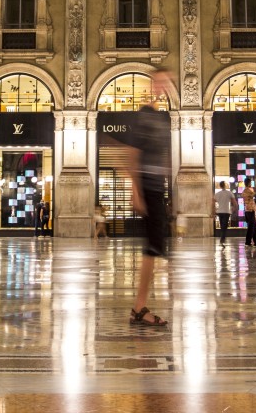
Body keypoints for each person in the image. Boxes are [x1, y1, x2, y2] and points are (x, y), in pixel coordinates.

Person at [109, 68, 173, 326]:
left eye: (167, 82)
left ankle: (140, 306)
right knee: (153, 247)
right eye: (160, 81)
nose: (164, 86)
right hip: (148, 186)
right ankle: (139, 308)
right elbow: (131, 153)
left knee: (156, 247)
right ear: (152, 84)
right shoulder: (145, 115)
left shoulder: (160, 117)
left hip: (157, 186)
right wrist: (136, 192)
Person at [213, 181, 236, 245]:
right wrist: (234, 208)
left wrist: (214, 210)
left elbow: (213, 202)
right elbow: (234, 202)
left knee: (222, 225)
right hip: (226, 211)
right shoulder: (229, 193)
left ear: (220, 186)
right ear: (225, 185)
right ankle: (222, 238)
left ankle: (222, 237)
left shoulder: (218, 194)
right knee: (224, 225)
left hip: (220, 211)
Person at [242, 177, 256, 247]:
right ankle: (248, 242)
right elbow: (254, 195)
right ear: (248, 183)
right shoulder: (248, 190)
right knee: (251, 227)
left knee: (253, 226)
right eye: (250, 182)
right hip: (250, 210)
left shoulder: (246, 190)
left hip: (249, 210)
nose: (251, 184)